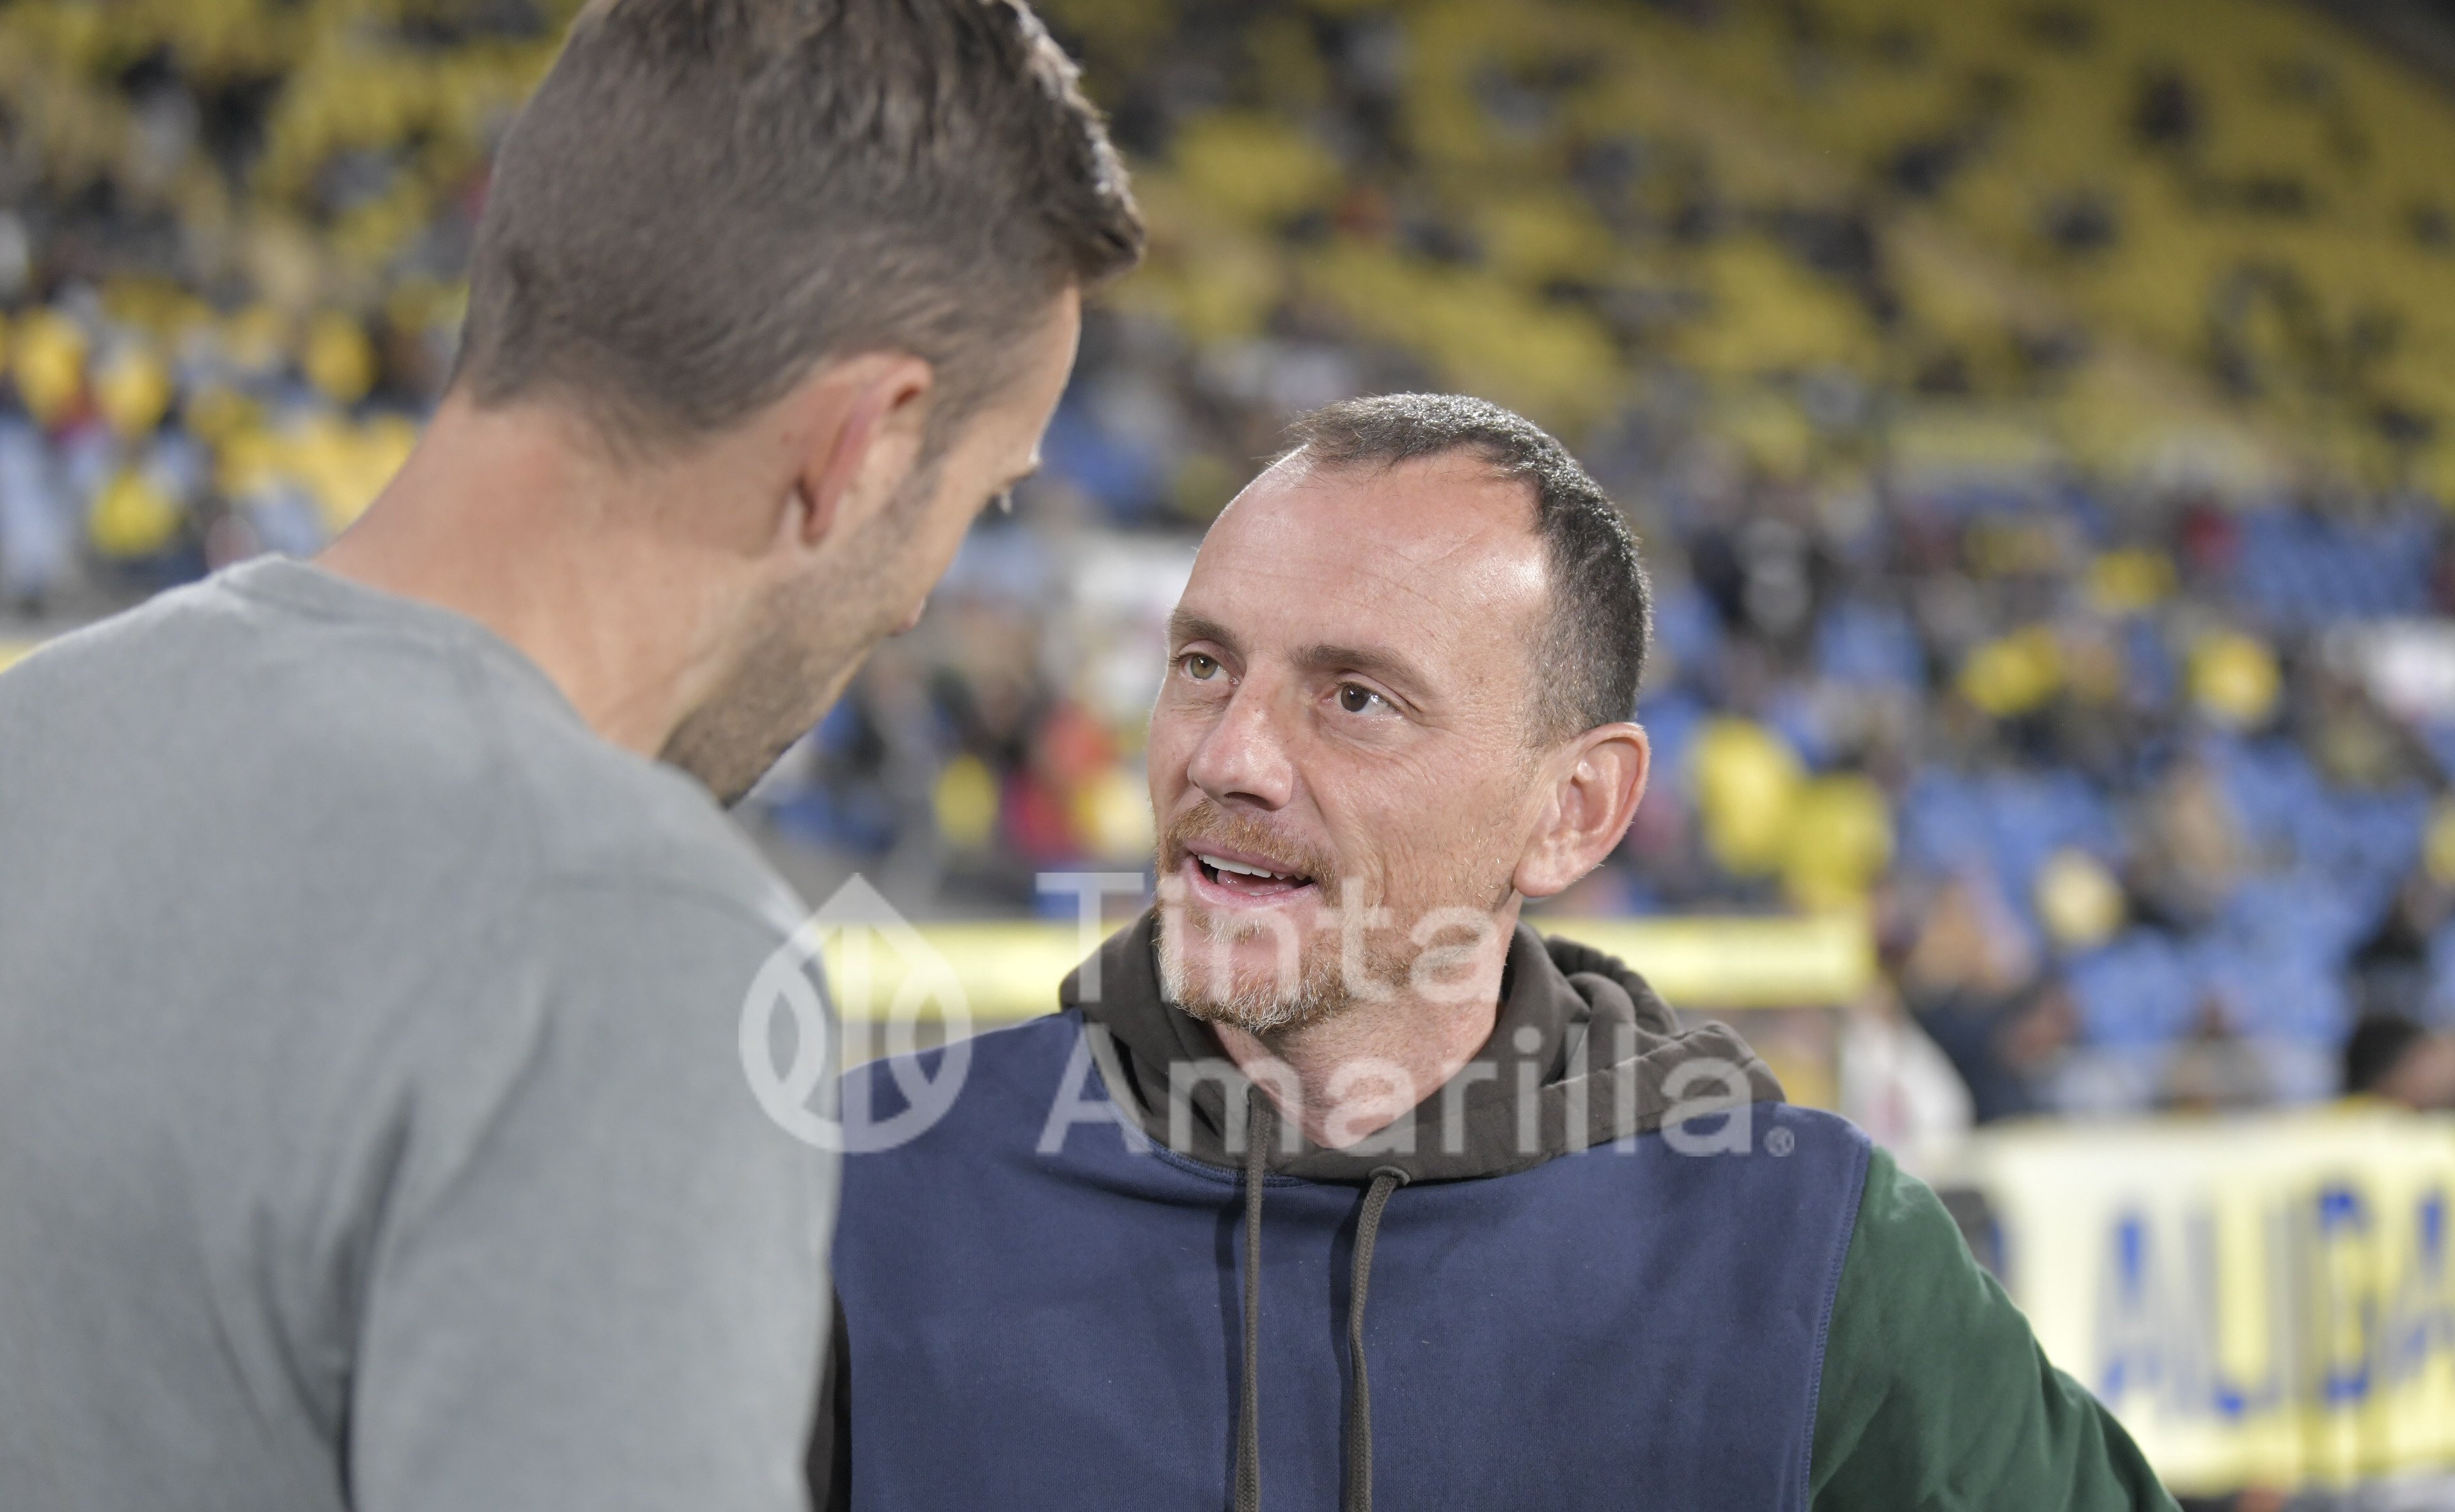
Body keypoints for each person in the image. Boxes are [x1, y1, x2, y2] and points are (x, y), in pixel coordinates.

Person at [0, 2, 1139, 1508]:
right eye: (980, 497)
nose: (925, 592)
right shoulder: (624, 935)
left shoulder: (45, 732)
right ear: (861, 443)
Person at [818, 394, 2176, 1511]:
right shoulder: (857, 1195)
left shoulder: (1810, 1255)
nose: (1228, 756)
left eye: (1355, 698)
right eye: (1202, 666)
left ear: (1574, 810)